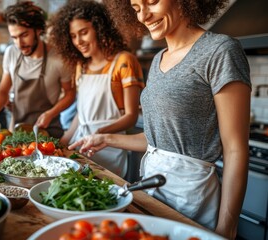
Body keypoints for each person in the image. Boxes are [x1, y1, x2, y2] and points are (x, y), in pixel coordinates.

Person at [70, 0, 251, 238]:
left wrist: (226, 229)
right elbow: (160, 141)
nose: (143, 15)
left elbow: (235, 149)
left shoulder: (220, 51)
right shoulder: (158, 60)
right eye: (135, 8)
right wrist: (105, 138)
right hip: (151, 191)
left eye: (152, 2)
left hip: (191, 198)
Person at [49, 0, 144, 178]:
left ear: (100, 29)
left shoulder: (124, 62)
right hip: (81, 144)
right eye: (73, 36)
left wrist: (100, 133)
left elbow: (131, 117)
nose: (79, 41)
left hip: (110, 147)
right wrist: (63, 142)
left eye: (84, 32)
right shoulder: (81, 66)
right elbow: (81, 114)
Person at [0, 1, 76, 138]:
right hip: (17, 134)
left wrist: (51, 113)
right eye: (14, 38)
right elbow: (3, 90)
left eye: (24, 35)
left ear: (38, 30)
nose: (19, 44)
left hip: (48, 134)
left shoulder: (58, 59)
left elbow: (70, 94)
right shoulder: (11, 53)